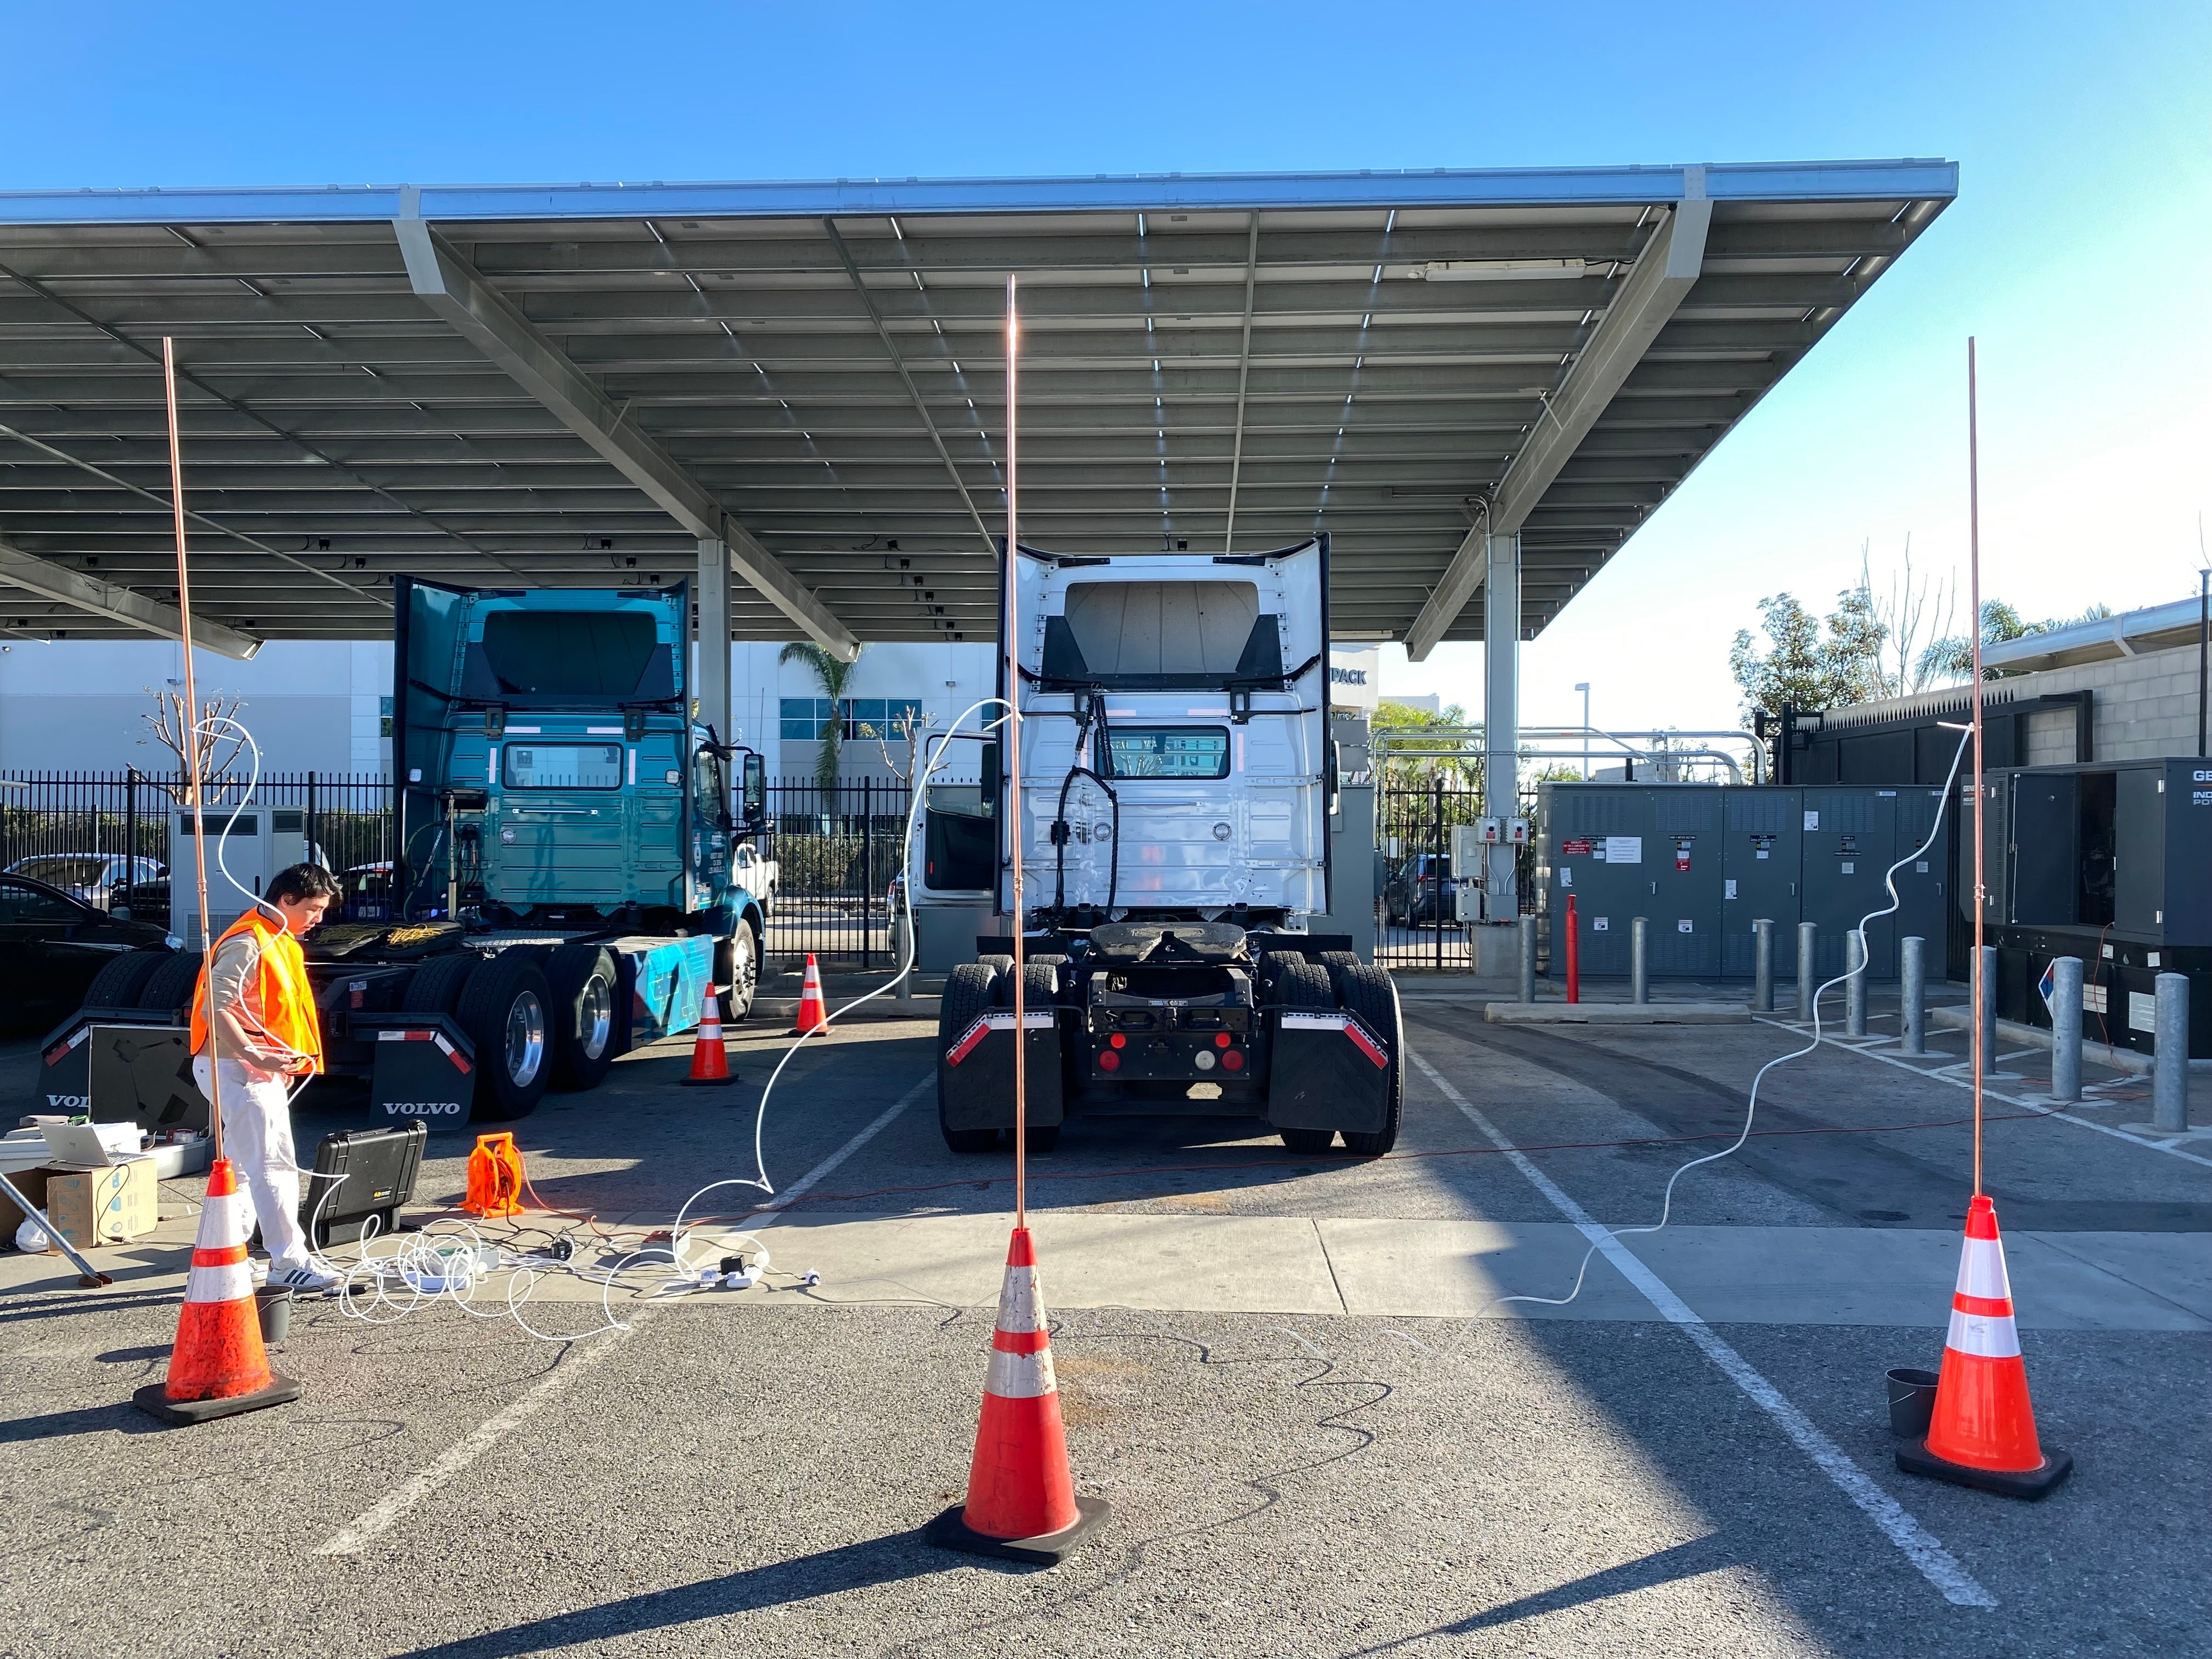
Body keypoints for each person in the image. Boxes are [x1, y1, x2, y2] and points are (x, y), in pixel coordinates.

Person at [188, 862, 341, 1293]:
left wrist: (274, 1062)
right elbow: (215, 1009)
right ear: (286, 900)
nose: (318, 919)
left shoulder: (275, 937)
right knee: (273, 1164)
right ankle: (288, 1262)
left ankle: (228, 1256)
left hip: (244, 1068)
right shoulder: (250, 941)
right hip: (237, 1068)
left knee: (243, 1166)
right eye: (313, 909)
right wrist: (257, 1055)